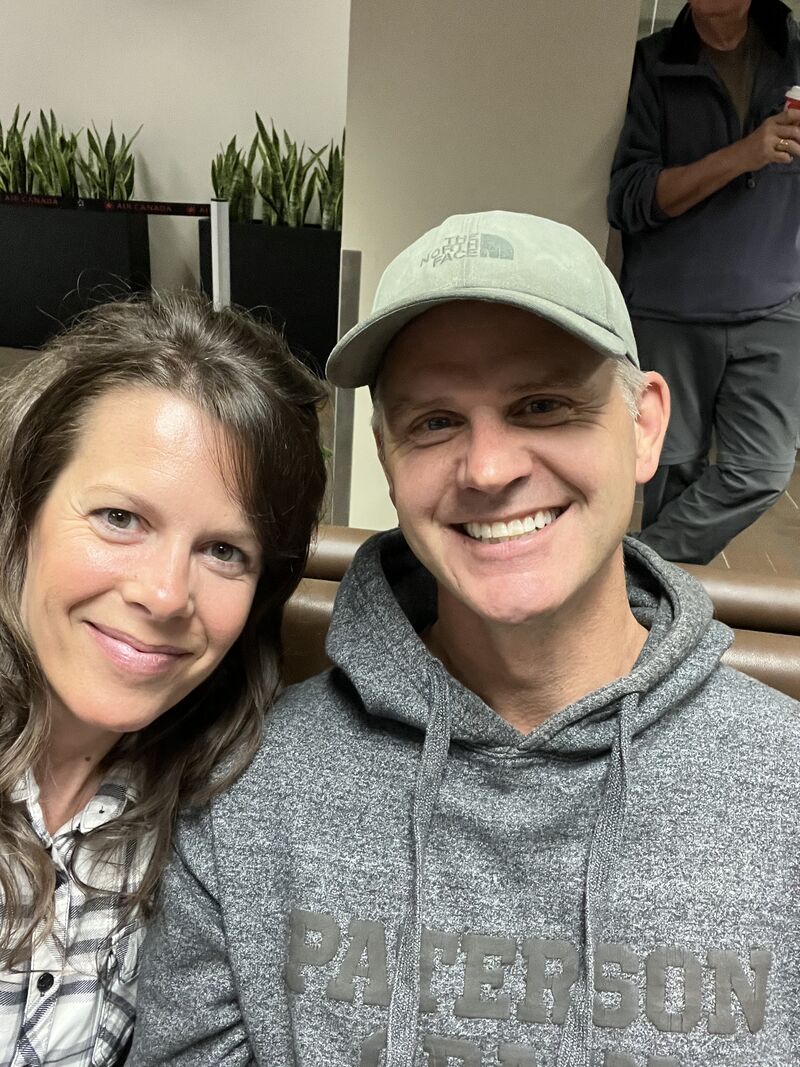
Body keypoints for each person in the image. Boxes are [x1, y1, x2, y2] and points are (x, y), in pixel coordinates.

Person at [129, 212, 800, 1067]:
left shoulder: (785, 791)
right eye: (436, 422)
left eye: (544, 404)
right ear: (386, 455)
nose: (488, 468)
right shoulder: (245, 784)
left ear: (644, 426)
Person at [0, 292, 326, 1066]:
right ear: (25, 505)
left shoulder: (212, 801)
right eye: (120, 518)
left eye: (224, 550)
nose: (164, 593)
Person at [608, 0, 800, 565]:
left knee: (762, 469)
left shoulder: (793, 53)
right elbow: (629, 200)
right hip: (671, 308)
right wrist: (745, 154)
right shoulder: (656, 61)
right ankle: (657, 622)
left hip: (777, 303)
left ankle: (629, 577)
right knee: (670, 473)